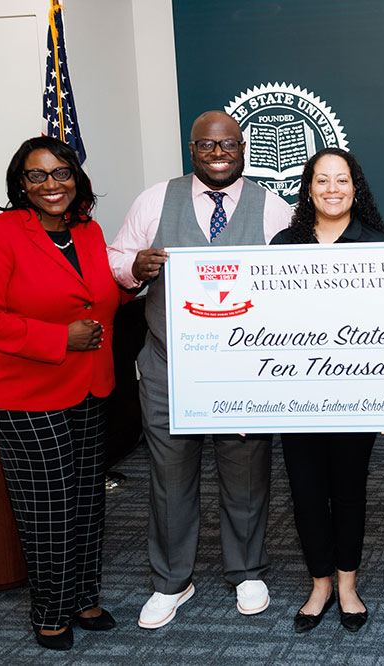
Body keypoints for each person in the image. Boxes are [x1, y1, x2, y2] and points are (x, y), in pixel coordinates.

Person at [107, 110, 293, 629]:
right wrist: (135, 268)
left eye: (228, 145)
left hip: (242, 371)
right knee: (169, 478)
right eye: (207, 146)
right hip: (169, 367)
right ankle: (171, 581)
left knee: (247, 472)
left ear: (243, 147)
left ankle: (247, 570)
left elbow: (292, 285)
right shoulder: (154, 199)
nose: (218, 154)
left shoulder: (272, 208)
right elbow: (117, 259)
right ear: (192, 149)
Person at [0, 137, 121, 650]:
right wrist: (59, 338)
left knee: (85, 500)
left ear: (77, 177)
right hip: (21, 392)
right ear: (20, 184)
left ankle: (83, 596)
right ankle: (50, 611)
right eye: (38, 176)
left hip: (89, 384)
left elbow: (100, 297)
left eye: (61, 173)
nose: (52, 185)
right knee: (48, 504)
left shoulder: (90, 231)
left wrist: (135, 281)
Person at [270, 148, 384, 634]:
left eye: (341, 180)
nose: (333, 189)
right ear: (308, 188)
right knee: (304, 494)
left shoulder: (379, 245)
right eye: (322, 180)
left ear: (355, 187)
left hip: (355, 396)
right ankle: (318, 583)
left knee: (348, 493)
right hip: (297, 395)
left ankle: (346, 584)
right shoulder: (283, 245)